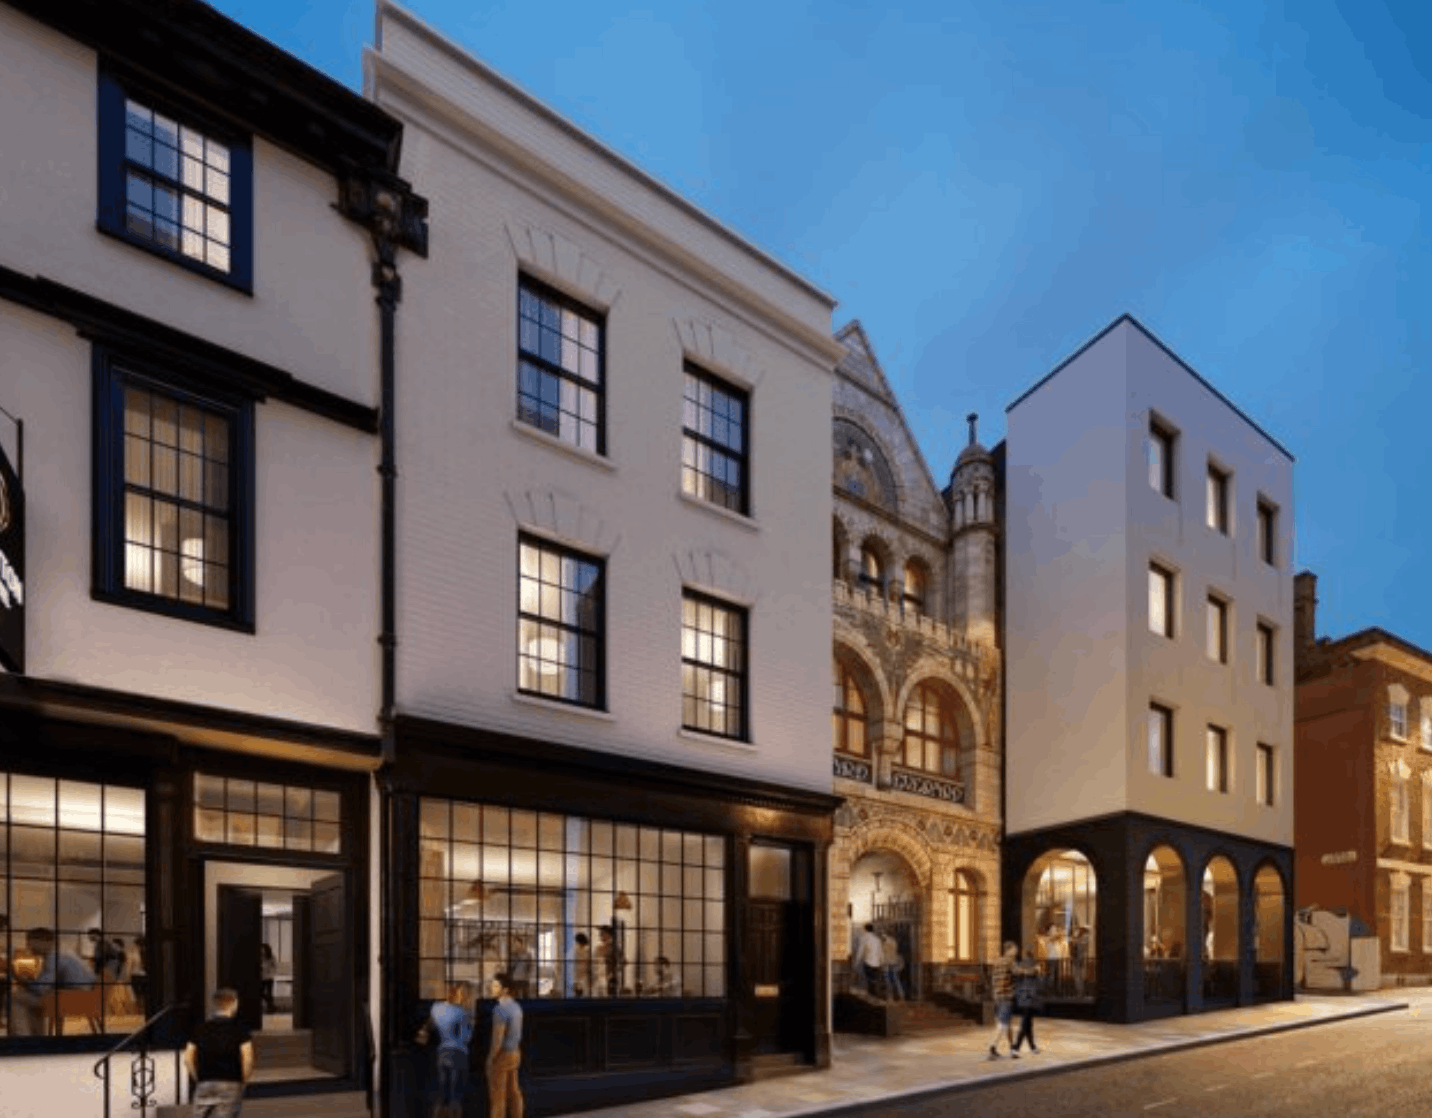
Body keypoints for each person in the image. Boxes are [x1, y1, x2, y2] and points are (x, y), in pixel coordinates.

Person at [182, 987, 255, 1118]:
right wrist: (242, 1081)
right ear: (234, 1004)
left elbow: (187, 1057)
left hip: (205, 1082)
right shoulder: (240, 1029)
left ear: (215, 1005)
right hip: (230, 1082)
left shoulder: (200, 1028)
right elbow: (248, 1059)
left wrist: (197, 1078)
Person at [10, 927, 94, 1036]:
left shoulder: (54, 957)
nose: (28, 946)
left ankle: (22, 1036)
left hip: (72, 999)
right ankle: (36, 1036)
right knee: (27, 996)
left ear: (43, 942)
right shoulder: (62, 953)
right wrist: (29, 983)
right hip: (80, 996)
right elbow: (45, 984)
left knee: (15, 996)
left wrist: (18, 977)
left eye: (30, 942)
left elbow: (40, 988)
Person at [417, 981, 475, 1118]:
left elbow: (428, 1028)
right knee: (456, 1095)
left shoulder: (436, 1008)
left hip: (442, 1054)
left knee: (442, 1093)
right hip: (459, 1055)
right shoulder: (463, 1012)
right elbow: (466, 1038)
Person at [487, 971, 524, 1118]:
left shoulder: (499, 1009)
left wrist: (490, 1059)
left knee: (498, 1097)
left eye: (496, 986)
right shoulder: (516, 1007)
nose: (492, 988)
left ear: (505, 990)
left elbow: (497, 1040)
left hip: (502, 1055)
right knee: (514, 1092)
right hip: (515, 1053)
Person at [988, 941, 1019, 1059]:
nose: (1016, 952)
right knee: (1002, 1024)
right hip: (1006, 996)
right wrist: (1034, 970)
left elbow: (993, 979)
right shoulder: (1010, 961)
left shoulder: (997, 962)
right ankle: (992, 1048)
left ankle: (1013, 1049)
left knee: (1007, 1023)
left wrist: (995, 993)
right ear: (1008, 950)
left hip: (998, 996)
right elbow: (1018, 972)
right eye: (1014, 949)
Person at [1011, 947, 1042, 1055]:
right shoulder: (1032, 969)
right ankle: (1016, 1047)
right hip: (1029, 999)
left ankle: (1032, 1047)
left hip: (1023, 998)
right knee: (1025, 1023)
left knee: (1028, 1023)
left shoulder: (1021, 968)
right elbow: (1039, 982)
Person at [857, 923, 884, 1000]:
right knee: (874, 980)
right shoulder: (877, 939)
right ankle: (874, 995)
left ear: (865, 929)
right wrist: (882, 962)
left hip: (868, 962)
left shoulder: (864, 938)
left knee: (869, 980)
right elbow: (880, 951)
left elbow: (860, 951)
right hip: (877, 963)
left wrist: (857, 961)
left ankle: (871, 996)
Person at [880, 928, 905, 1002]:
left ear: (886, 934)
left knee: (888, 980)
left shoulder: (885, 942)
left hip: (886, 963)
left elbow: (883, 952)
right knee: (896, 979)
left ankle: (890, 996)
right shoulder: (894, 941)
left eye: (883, 934)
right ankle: (901, 995)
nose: (882, 935)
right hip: (894, 962)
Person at [597, 926, 621, 998]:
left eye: (602, 933)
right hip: (599, 979)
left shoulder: (614, 947)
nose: (600, 935)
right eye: (600, 934)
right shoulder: (599, 948)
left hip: (610, 979)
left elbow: (622, 961)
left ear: (608, 935)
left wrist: (613, 973)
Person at [128, 936, 148, 1016]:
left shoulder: (133, 954)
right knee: (144, 995)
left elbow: (129, 968)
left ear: (136, 944)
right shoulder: (146, 953)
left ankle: (140, 1012)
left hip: (136, 976)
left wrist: (128, 978)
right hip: (145, 976)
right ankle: (143, 1011)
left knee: (138, 996)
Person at [509, 936, 533, 1000]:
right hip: (515, 979)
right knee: (515, 997)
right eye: (515, 944)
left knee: (525, 997)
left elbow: (530, 966)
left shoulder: (527, 955)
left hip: (524, 979)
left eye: (518, 944)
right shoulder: (512, 955)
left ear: (521, 944)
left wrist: (528, 976)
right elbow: (510, 967)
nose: (516, 946)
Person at [259, 944, 277, 1015]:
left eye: (263, 949)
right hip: (261, 978)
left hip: (269, 977)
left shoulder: (272, 957)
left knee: (269, 993)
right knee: (260, 992)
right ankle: (272, 1006)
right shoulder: (260, 957)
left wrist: (270, 971)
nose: (262, 951)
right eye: (261, 949)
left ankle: (270, 1008)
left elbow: (275, 967)